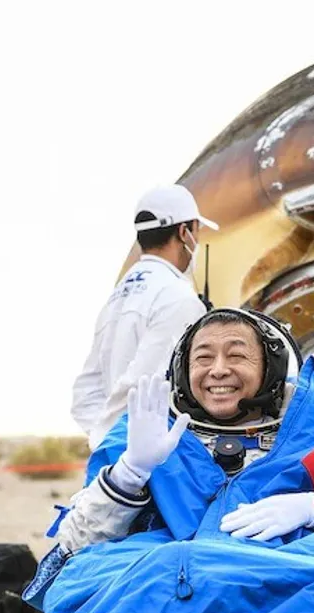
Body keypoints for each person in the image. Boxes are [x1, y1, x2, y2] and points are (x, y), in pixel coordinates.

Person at [26, 308, 314, 613]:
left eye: (237, 356)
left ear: (271, 366)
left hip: (285, 609)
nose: (218, 370)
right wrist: (131, 471)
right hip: (158, 605)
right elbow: (77, 545)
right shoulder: (148, 432)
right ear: (183, 368)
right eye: (203, 358)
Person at [69, 184, 214, 451]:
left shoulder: (117, 296)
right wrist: (122, 449)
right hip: (157, 458)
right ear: (184, 232)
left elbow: (85, 395)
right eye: (196, 230)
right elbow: (142, 384)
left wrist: (107, 445)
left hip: (125, 453)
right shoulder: (177, 297)